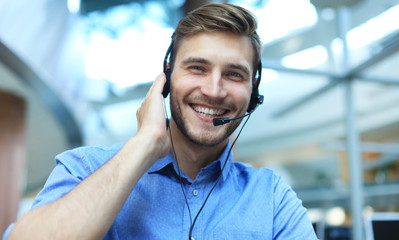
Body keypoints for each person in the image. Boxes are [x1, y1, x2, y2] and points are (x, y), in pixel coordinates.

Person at [4, 3, 317, 240]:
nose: (213, 90)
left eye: (234, 74)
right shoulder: (84, 168)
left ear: (253, 92)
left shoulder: (272, 197)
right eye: (197, 68)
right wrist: (144, 145)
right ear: (167, 77)